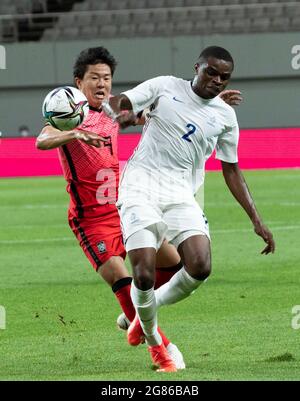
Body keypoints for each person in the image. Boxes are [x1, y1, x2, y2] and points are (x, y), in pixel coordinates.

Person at [103, 46, 275, 372]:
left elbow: (231, 169)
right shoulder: (165, 86)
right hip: (140, 187)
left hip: (181, 195)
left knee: (200, 266)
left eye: (224, 77)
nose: (217, 80)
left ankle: (142, 315)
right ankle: (155, 344)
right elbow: (124, 102)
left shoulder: (225, 117)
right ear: (197, 67)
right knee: (142, 273)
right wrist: (117, 109)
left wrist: (257, 220)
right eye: (211, 72)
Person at [35, 47, 193, 369]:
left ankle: (134, 313)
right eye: (94, 77)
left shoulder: (111, 111)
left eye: (106, 77)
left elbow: (143, 116)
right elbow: (42, 139)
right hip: (91, 221)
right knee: (124, 283)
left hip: (125, 211)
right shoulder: (68, 115)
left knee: (178, 265)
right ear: (79, 82)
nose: (102, 83)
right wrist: (75, 132)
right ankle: (163, 354)